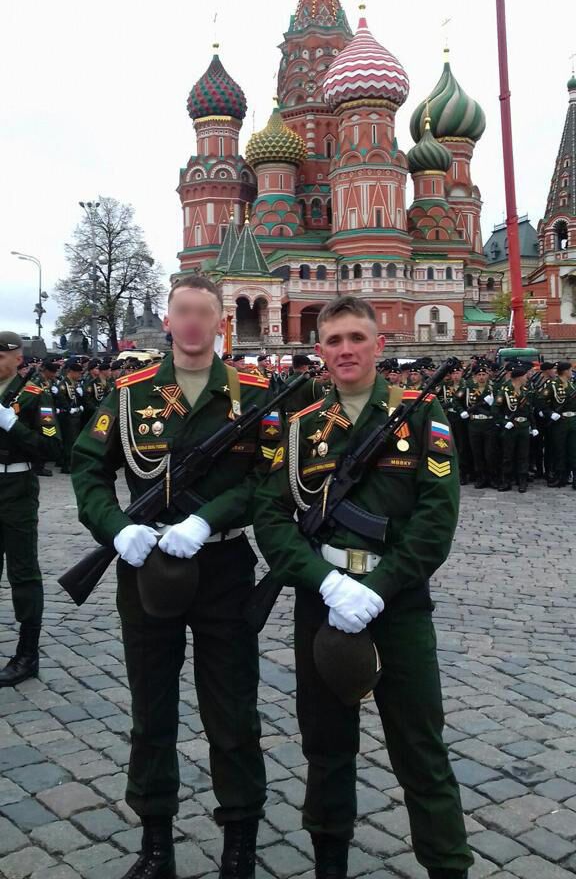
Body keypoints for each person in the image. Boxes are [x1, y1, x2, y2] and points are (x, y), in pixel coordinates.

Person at [254, 296, 473, 879]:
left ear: (380, 345)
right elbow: (272, 519)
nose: (346, 350)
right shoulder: (301, 429)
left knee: (421, 750)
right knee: (326, 749)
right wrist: (325, 581)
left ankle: (447, 867)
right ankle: (329, 863)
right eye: (334, 340)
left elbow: (436, 518)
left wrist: (378, 586)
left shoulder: (422, 416)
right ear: (320, 350)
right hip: (323, 604)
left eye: (357, 338)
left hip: (397, 605)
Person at [72, 276, 281, 879]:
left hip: (221, 565)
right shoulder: (132, 392)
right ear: (167, 321)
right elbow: (88, 466)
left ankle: (239, 839)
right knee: (152, 709)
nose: (192, 323)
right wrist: (115, 528)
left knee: (234, 711)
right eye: (182, 312)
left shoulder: (257, 391)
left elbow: (269, 480)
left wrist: (208, 517)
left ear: (221, 323)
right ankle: (155, 842)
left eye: (204, 313)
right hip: (146, 566)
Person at [0, 332, 61, 686]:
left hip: (17, 486)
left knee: (22, 571)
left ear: (16, 357)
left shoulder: (35, 395)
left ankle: (27, 654)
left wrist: (13, 425)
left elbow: (53, 449)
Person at [455, 360, 497, 489]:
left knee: (490, 453)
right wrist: (462, 411)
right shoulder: (468, 388)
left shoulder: (493, 388)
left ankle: (492, 478)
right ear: (474, 376)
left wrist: (493, 405)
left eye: (484, 375)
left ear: (488, 376)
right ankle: (480, 478)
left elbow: (501, 406)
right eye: (479, 375)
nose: (481, 377)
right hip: (474, 423)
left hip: (489, 423)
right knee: (476, 453)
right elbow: (456, 401)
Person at [495, 363, 536, 493]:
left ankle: (522, 481)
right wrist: (503, 422)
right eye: (524, 376)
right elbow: (495, 410)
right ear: (518, 377)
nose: (526, 378)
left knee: (523, 455)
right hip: (511, 427)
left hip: (523, 426)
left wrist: (533, 426)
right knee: (508, 455)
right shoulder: (504, 391)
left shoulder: (525, 391)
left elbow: (530, 411)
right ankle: (506, 481)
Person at [542, 360, 576, 488]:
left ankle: (573, 477)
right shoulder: (552, 385)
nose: (571, 372)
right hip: (560, 421)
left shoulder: (572, 385)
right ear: (565, 371)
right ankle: (560, 476)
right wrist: (550, 413)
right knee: (560, 450)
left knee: (573, 450)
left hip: (573, 420)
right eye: (570, 370)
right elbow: (541, 401)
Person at [52, 358, 85, 473]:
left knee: (74, 439)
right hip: (67, 416)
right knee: (69, 440)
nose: (80, 375)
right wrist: (68, 408)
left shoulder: (74, 384)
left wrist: (79, 404)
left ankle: (71, 462)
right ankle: (66, 464)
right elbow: (61, 399)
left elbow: (75, 398)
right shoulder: (63, 384)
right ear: (71, 372)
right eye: (78, 373)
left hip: (75, 415)